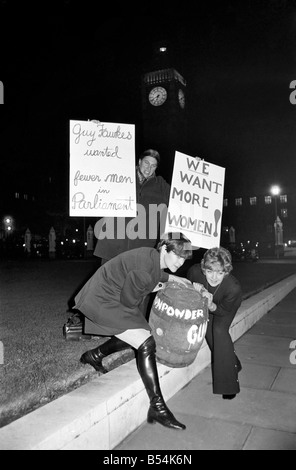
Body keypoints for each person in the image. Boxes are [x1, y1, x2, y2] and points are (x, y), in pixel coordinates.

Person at [74, 232, 192, 430]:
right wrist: (157, 287)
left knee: (140, 334)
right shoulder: (145, 271)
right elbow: (130, 302)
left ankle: (94, 355)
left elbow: (157, 272)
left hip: (110, 294)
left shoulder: (151, 256)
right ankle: (158, 408)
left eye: (184, 258)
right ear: (164, 248)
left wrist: (174, 278)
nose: (180, 262)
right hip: (102, 299)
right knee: (146, 341)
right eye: (177, 256)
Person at [93, 148, 171, 264]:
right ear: (139, 162)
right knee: (108, 280)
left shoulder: (161, 186)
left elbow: (180, 198)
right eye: (146, 163)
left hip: (141, 247)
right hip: (113, 242)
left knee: (135, 281)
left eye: (153, 166)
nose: (148, 168)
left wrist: (193, 169)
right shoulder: (121, 176)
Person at [187, 246, 243, 400]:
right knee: (207, 332)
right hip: (207, 302)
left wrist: (211, 306)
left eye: (220, 272)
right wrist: (195, 289)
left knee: (219, 330)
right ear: (204, 268)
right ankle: (234, 363)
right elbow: (187, 291)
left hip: (225, 306)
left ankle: (229, 385)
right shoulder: (194, 272)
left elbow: (223, 311)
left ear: (226, 272)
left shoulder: (233, 287)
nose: (214, 277)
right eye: (210, 271)